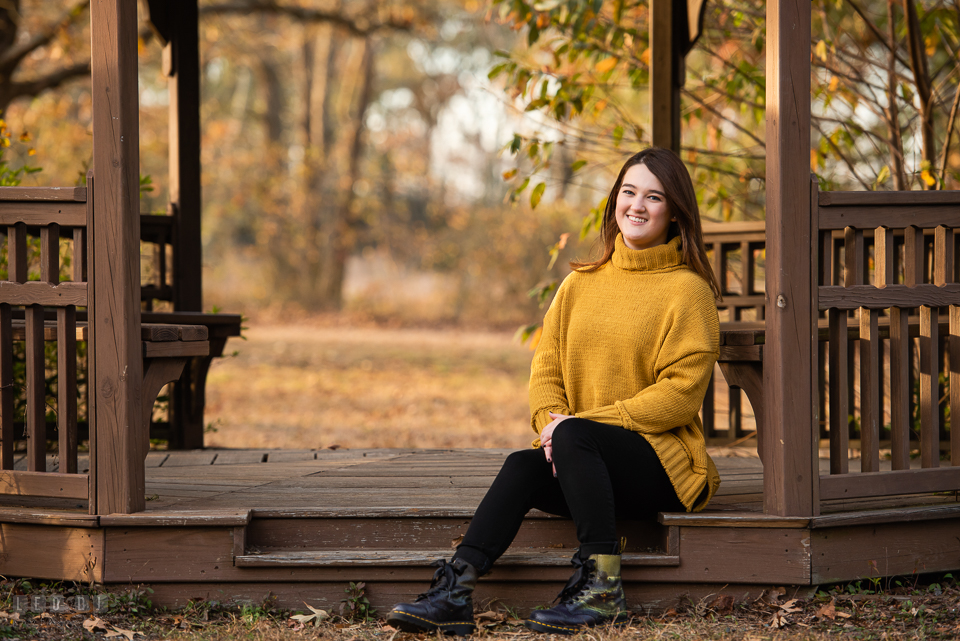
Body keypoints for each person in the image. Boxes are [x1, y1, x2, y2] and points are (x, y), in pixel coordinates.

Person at [387, 147, 722, 636]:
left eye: (654, 197)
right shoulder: (579, 284)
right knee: (522, 464)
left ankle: (602, 589)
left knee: (573, 437)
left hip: (661, 462)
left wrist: (575, 429)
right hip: (581, 459)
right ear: (614, 201)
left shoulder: (687, 291)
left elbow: (680, 396)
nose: (637, 205)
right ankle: (456, 588)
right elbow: (545, 368)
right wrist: (552, 424)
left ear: (674, 212)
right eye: (629, 192)